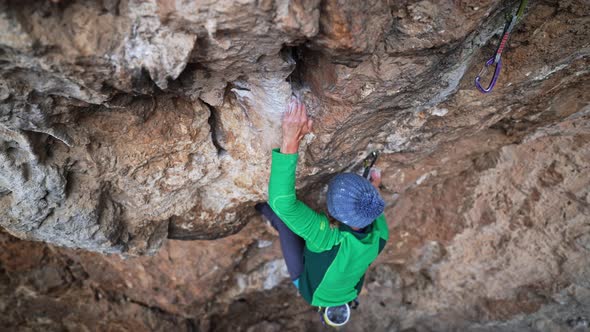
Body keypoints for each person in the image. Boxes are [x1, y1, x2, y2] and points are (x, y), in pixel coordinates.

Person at [255, 97, 388, 325]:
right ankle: (262, 210)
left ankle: (263, 210)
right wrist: (370, 191)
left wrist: (291, 140)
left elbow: (282, 203)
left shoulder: (376, 239)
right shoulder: (367, 236)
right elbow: (372, 208)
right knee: (286, 224)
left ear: (332, 215)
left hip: (310, 286)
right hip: (319, 283)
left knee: (281, 218)